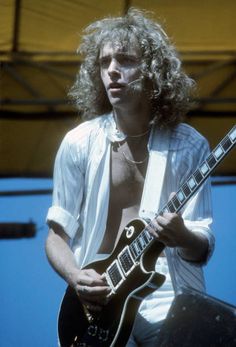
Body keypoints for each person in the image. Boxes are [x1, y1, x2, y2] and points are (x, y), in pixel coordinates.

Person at [45, 8, 214, 346]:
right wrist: (76, 276)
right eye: (104, 61)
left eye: (124, 59)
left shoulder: (190, 144)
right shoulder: (79, 142)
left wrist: (181, 235)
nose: (112, 70)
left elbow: (200, 245)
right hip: (97, 304)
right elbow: (56, 236)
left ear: (153, 71)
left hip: (168, 295)